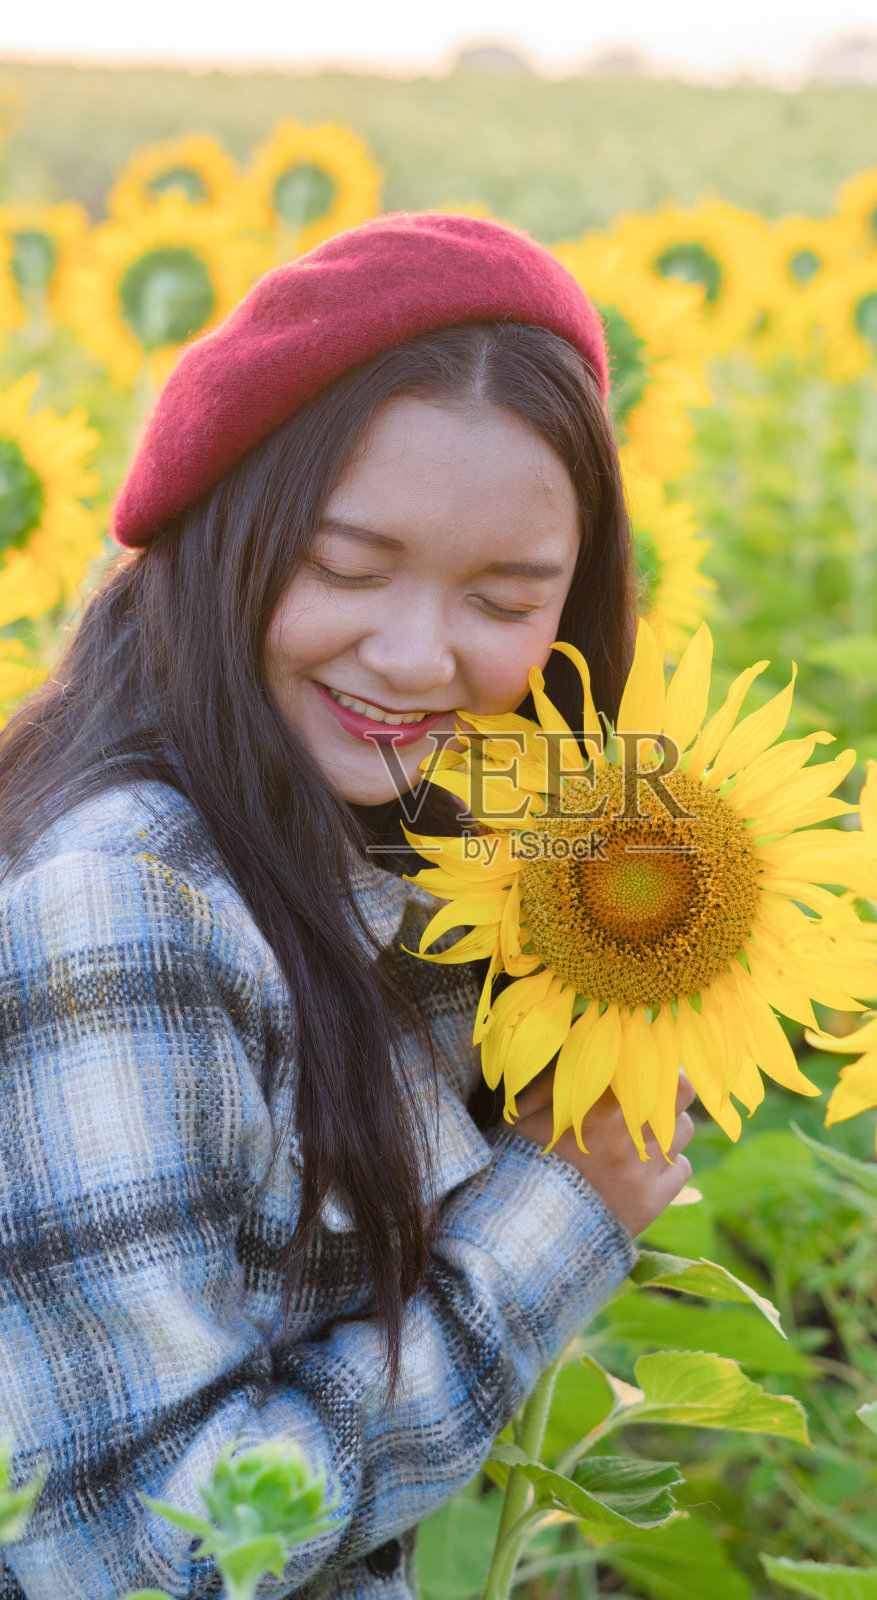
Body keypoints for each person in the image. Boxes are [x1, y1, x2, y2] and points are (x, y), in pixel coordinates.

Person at [0, 213, 695, 1600]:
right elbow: (139, 1548)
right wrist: (560, 1208)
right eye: (350, 568)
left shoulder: (438, 842)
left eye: (505, 596)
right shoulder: (121, 907)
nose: (417, 654)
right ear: (231, 529)